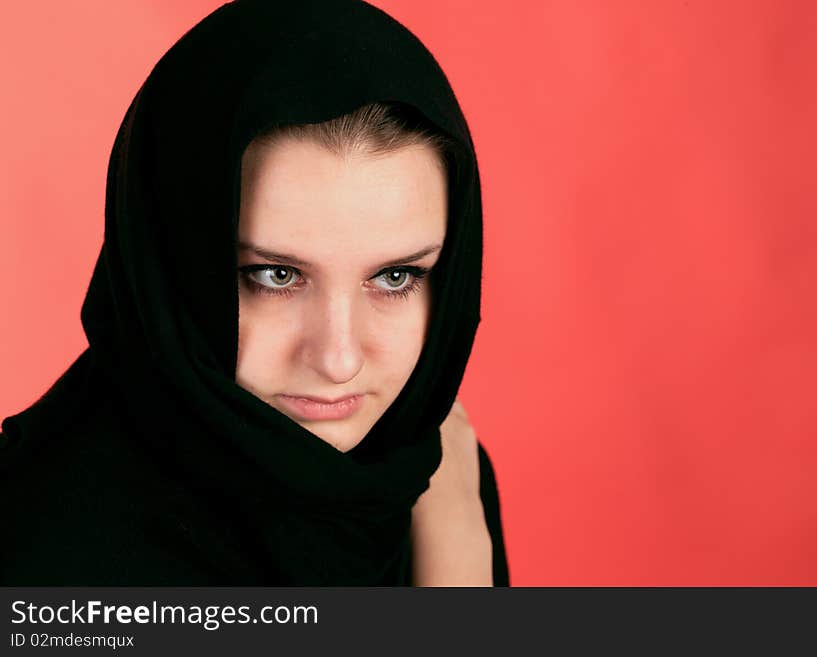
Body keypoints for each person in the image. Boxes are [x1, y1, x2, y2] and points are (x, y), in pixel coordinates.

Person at [0, 0, 508, 586]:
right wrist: (458, 553)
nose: (339, 360)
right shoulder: (44, 565)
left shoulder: (420, 464)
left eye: (396, 276)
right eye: (275, 276)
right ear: (172, 265)